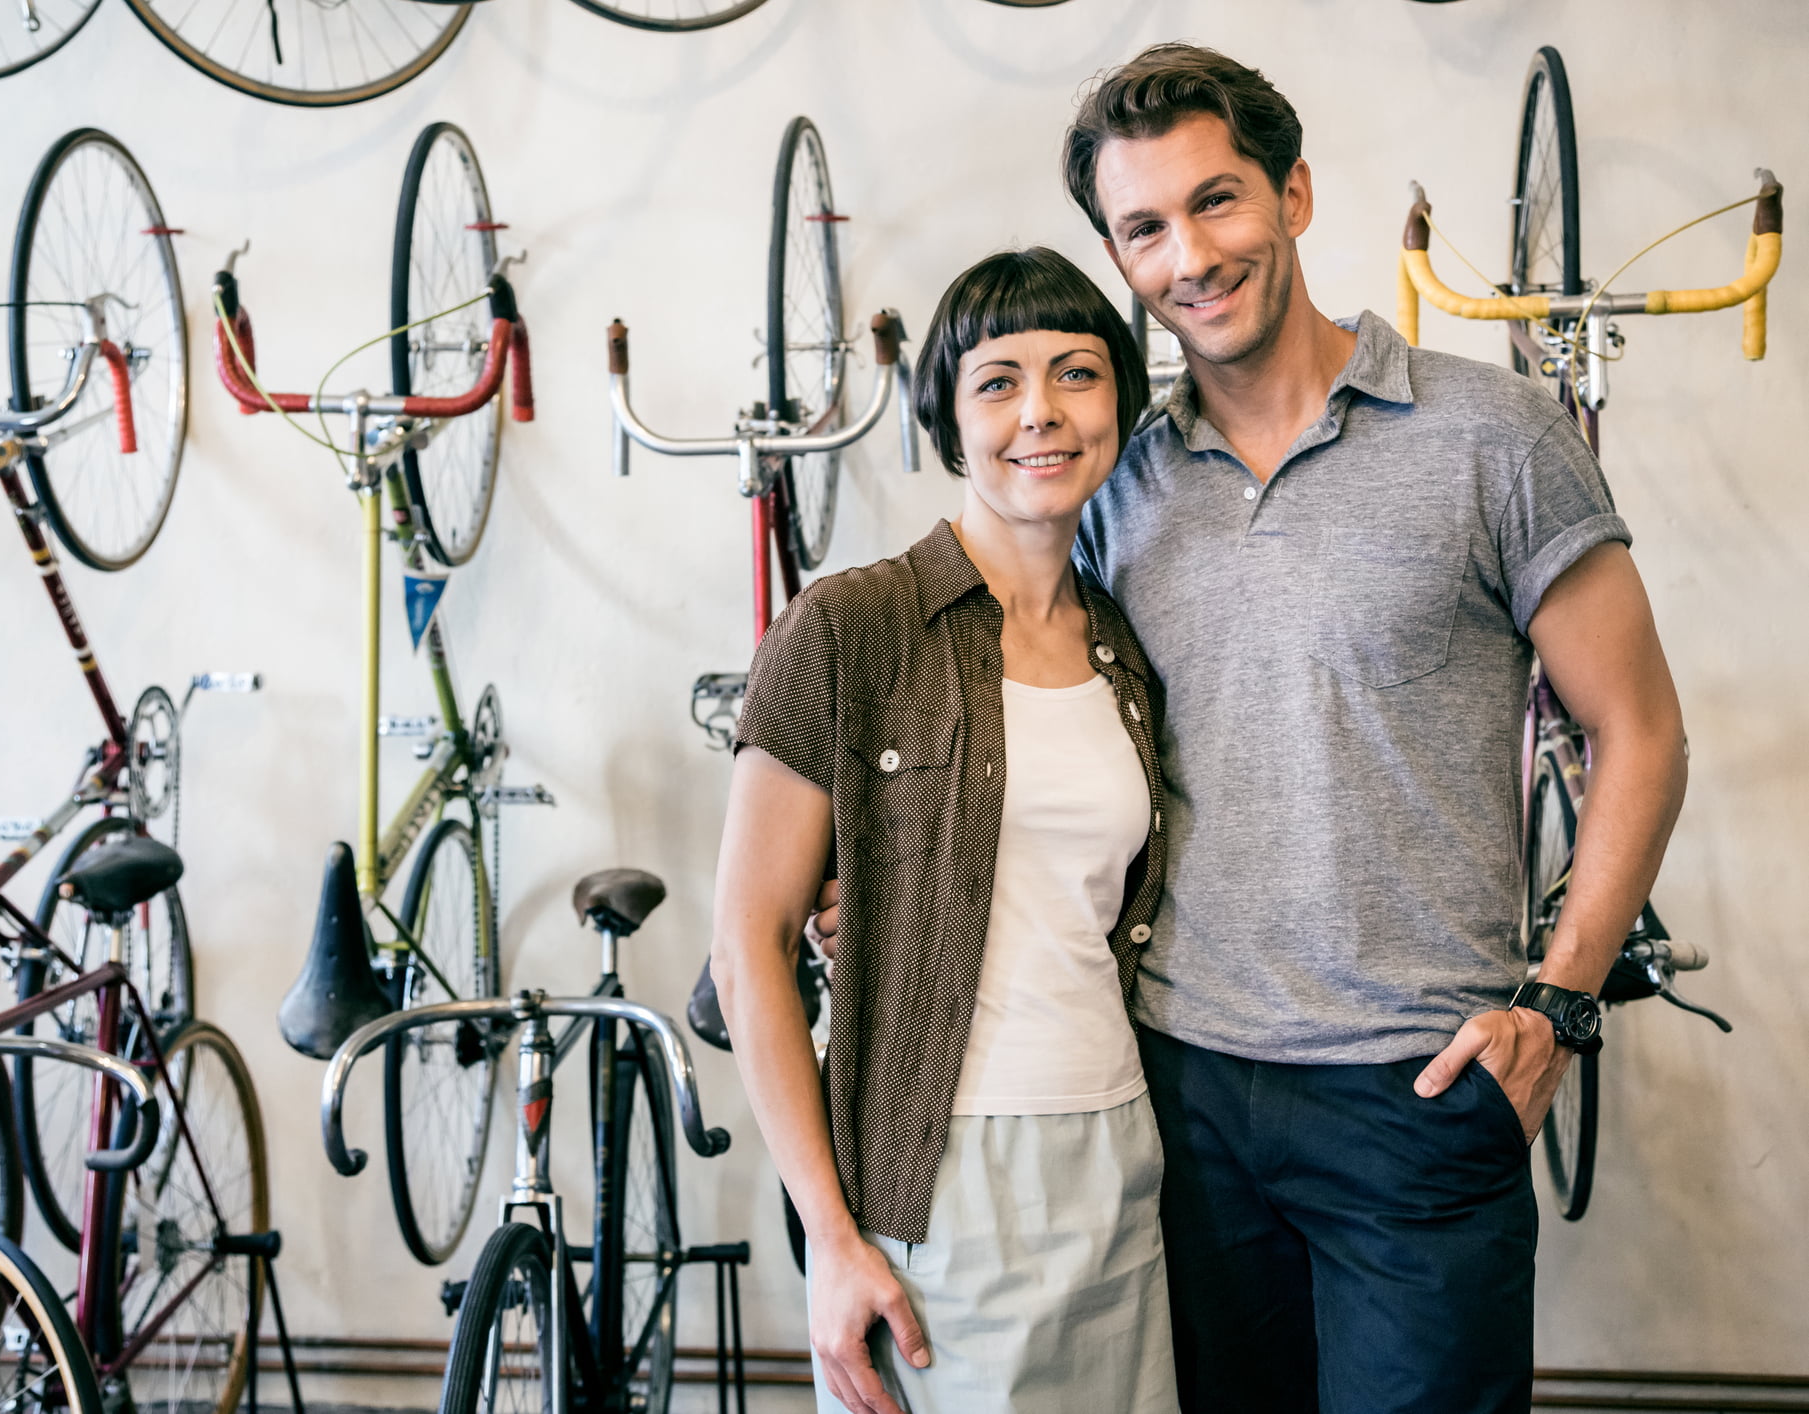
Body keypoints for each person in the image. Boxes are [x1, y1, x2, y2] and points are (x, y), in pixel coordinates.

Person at [817, 40, 1689, 1414]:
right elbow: (1009, 726)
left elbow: (1638, 727)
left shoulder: (1493, 438)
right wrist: (862, 875)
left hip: (1417, 1086)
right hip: (1177, 1095)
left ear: (1291, 195)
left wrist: (1557, 1000)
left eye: (1215, 202)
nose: (1187, 257)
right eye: (1143, 229)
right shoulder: (1115, 478)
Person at [708, 247, 1177, 1414]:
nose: (1043, 412)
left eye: (1077, 374)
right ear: (947, 418)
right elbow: (747, 943)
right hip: (940, 1180)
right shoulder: (852, 628)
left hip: (1118, 1159)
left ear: (1120, 401)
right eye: (999, 381)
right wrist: (830, 1236)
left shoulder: (1127, 650)